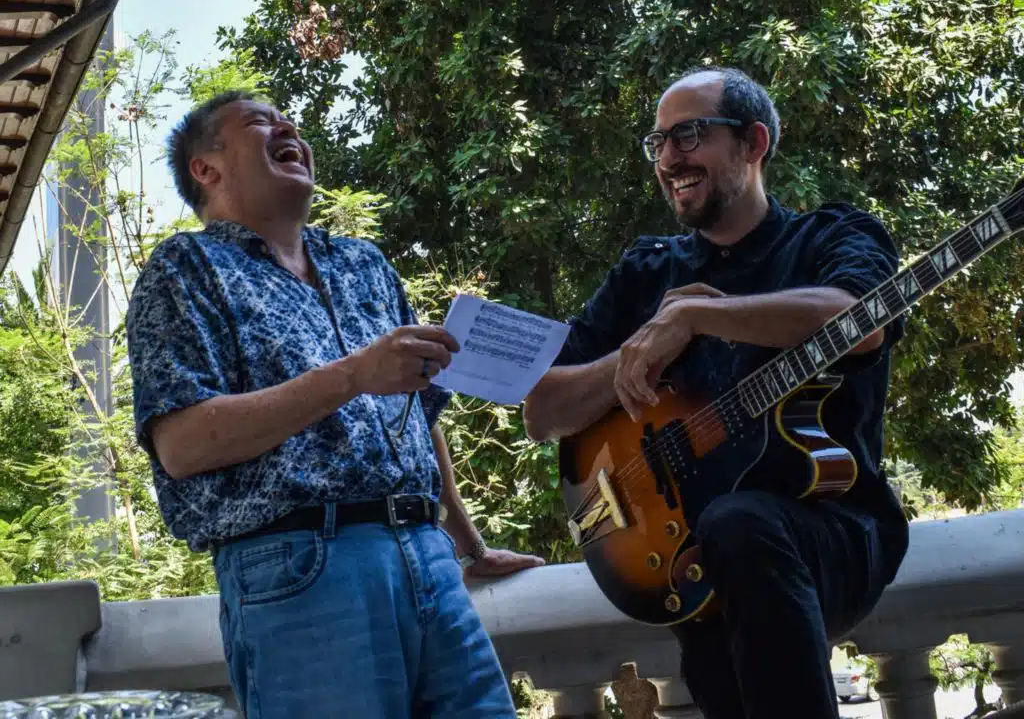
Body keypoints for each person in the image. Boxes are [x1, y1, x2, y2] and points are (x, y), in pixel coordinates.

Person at [127, 90, 543, 719]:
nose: (288, 126)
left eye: (288, 119)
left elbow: (417, 418)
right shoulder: (185, 266)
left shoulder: (363, 263)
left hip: (427, 555)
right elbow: (182, 446)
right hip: (300, 566)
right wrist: (353, 375)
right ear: (205, 169)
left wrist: (467, 543)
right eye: (260, 123)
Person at [522, 67, 909, 719]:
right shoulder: (648, 271)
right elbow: (542, 411)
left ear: (753, 143)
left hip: (833, 535)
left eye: (690, 136)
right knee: (719, 608)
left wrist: (701, 317)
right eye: (660, 142)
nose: (670, 158)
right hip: (688, 558)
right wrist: (640, 347)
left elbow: (857, 319)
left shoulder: (833, 237)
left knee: (740, 523)